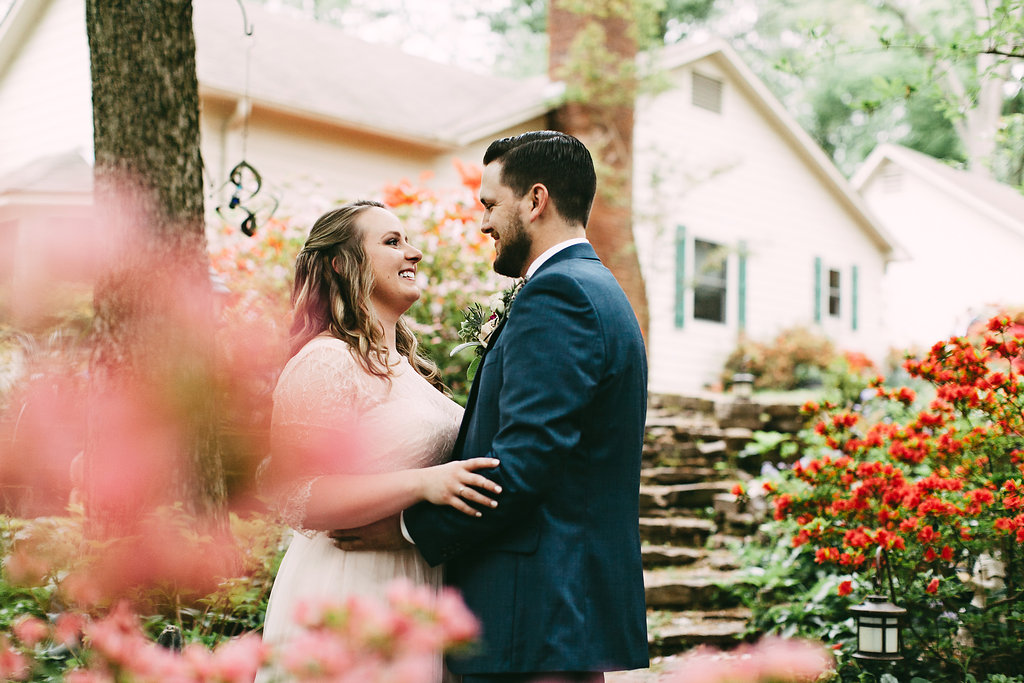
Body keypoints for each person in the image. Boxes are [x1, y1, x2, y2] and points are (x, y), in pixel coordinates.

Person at [335, 132, 650, 682]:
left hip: (531, 615)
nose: (482, 224)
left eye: (489, 205)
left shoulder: (560, 297)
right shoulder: (596, 289)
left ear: (535, 200)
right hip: (557, 616)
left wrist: (407, 530)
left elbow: (524, 463)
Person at [255, 200, 502, 683]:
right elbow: (296, 496)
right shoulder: (325, 361)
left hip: (413, 586)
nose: (414, 254)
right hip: (348, 591)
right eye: (392, 242)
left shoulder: (407, 368)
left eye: (407, 240)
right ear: (341, 263)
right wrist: (421, 484)